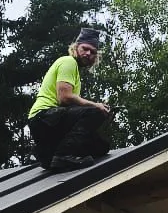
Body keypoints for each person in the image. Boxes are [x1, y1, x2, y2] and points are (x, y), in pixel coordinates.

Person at [27, 27, 113, 170]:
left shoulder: (76, 74)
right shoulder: (68, 61)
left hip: (53, 123)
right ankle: (62, 155)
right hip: (44, 118)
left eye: (92, 52)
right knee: (94, 112)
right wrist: (96, 106)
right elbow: (65, 98)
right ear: (76, 47)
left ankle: (46, 154)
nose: (88, 54)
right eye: (85, 49)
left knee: (101, 147)